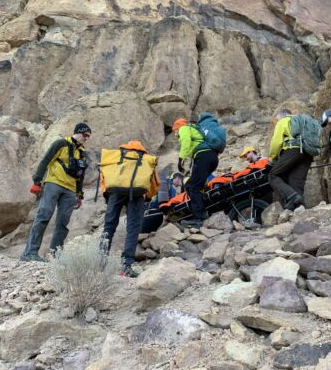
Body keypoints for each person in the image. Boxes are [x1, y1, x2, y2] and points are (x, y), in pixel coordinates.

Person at [20, 123, 91, 262]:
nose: (86, 138)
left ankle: (55, 257)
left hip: (70, 190)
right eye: (85, 135)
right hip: (54, 183)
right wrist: (37, 181)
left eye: (88, 136)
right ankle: (30, 253)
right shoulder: (61, 143)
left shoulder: (82, 153)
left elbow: (80, 175)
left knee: (63, 224)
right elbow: (46, 160)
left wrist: (79, 194)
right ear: (77, 132)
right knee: (43, 216)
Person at [99, 140, 159, 278]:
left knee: (108, 226)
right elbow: (155, 183)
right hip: (137, 195)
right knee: (133, 228)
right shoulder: (145, 159)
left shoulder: (116, 156)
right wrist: (148, 197)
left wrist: (106, 193)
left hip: (115, 192)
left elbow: (104, 174)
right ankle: (126, 265)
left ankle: (100, 263)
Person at [173, 117, 219, 228]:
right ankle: (207, 209)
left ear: (177, 127)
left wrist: (180, 159)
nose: (176, 134)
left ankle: (199, 217)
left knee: (192, 187)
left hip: (203, 156)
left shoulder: (183, 128)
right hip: (212, 157)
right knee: (195, 185)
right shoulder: (195, 129)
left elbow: (186, 142)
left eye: (175, 131)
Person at [268, 109, 313, 210]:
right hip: (308, 153)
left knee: (273, 175)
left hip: (294, 150)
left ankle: (291, 197)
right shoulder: (302, 122)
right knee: (296, 183)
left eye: (277, 118)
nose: (277, 120)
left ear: (282, 115)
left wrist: (273, 158)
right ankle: (300, 209)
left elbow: (276, 143)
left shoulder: (283, 121)